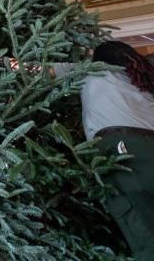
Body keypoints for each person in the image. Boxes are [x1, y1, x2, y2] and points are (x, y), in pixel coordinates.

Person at [51, 41, 154, 259]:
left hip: (123, 148)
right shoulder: (144, 76)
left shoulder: (92, 70)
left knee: (141, 226)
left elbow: (34, 70)